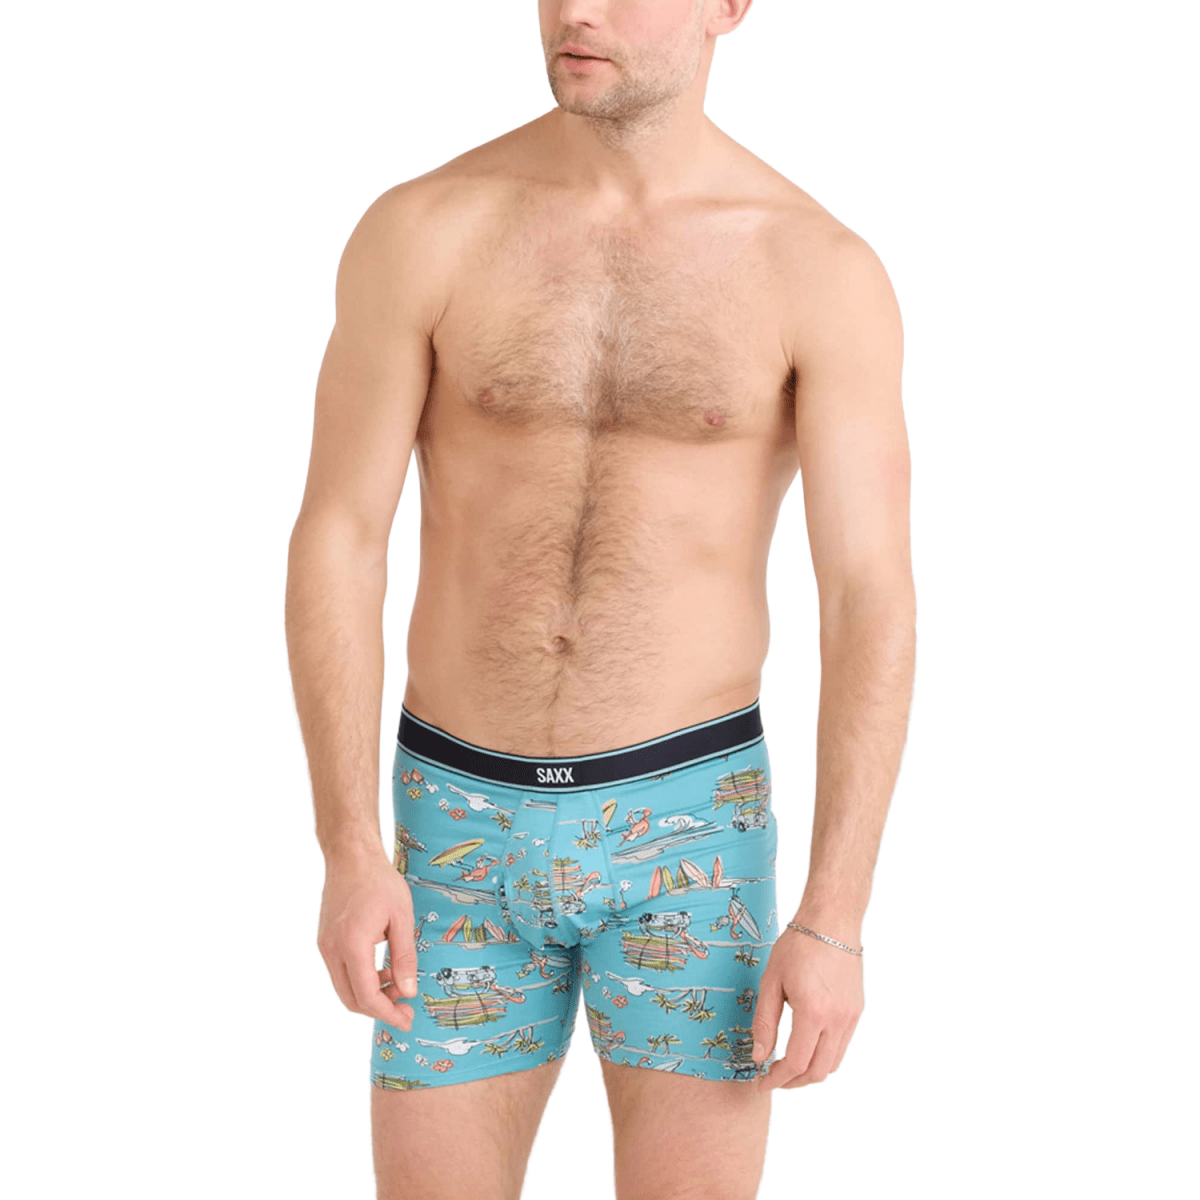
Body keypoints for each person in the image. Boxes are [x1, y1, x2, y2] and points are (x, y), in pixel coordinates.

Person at [284, 2, 915, 1197]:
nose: (577, 8)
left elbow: (868, 595)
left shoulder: (816, 270)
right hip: (455, 822)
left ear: (731, 5)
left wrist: (835, 917)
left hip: (692, 823)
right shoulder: (426, 229)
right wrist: (348, 845)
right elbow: (341, 535)